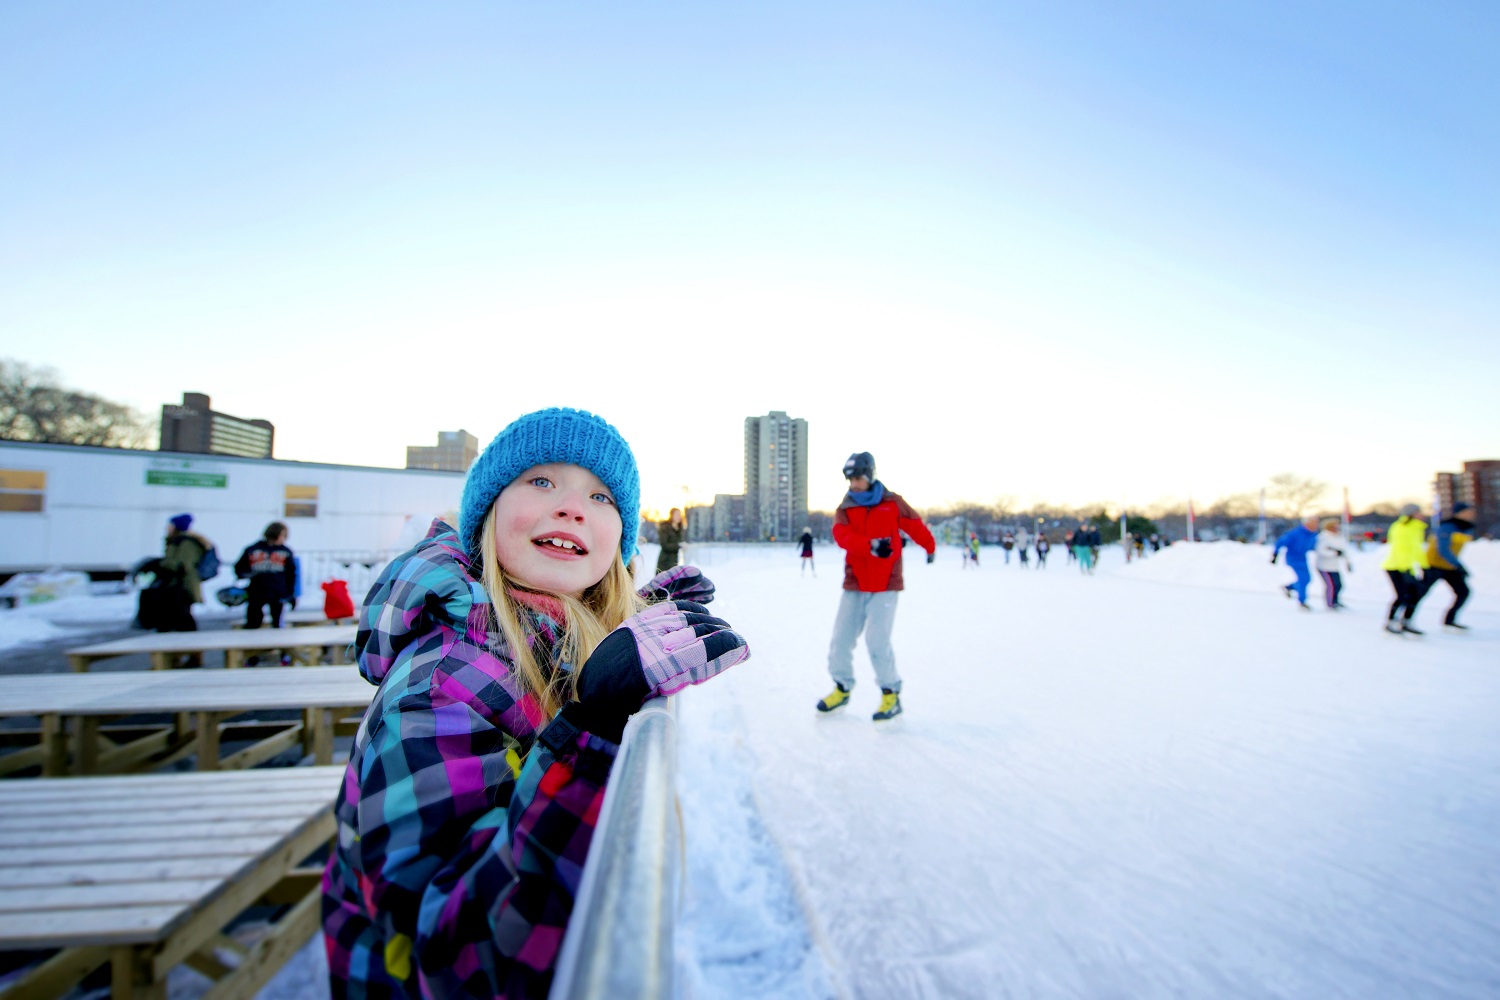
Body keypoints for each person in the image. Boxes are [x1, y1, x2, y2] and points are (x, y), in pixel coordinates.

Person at [322, 408, 748, 999]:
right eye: (541, 481)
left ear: (620, 544)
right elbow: (454, 953)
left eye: (602, 497)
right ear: (487, 514)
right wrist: (590, 730)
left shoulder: (556, 636)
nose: (573, 507)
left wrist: (638, 616)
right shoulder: (438, 683)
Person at [816, 451, 936, 722]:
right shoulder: (845, 507)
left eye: (858, 478)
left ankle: (891, 694)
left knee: (877, 641)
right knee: (841, 640)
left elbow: (914, 525)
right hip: (855, 582)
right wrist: (870, 546)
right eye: (850, 479)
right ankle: (842, 687)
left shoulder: (893, 503)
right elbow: (841, 536)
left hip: (885, 584)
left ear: (869, 475)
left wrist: (929, 546)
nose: (854, 484)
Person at [1417, 502, 1475, 631]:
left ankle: (1450, 620)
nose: (1471, 514)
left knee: (1463, 592)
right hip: (1434, 565)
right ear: (1460, 513)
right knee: (1420, 592)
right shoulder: (1447, 527)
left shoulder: (1465, 527)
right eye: (1468, 511)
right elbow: (1443, 550)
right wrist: (1458, 566)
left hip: (1449, 566)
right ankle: (1403, 620)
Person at [235, 521, 298, 629]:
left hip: (277, 591)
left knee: (277, 622)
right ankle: (251, 643)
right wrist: (246, 574)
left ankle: (275, 643)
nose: (284, 539)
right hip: (257, 590)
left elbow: (291, 573)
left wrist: (291, 593)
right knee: (253, 621)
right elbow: (239, 567)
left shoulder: (285, 551)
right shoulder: (253, 550)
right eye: (283, 535)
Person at [158, 513, 211, 634]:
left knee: (183, 617)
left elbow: (184, 565)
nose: (167, 528)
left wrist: (163, 564)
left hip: (184, 585)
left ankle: (192, 647)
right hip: (176, 585)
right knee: (177, 616)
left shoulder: (186, 543)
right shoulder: (176, 541)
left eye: (170, 525)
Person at [1381, 504, 1429, 635]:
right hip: (1396, 566)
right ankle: (1390, 622)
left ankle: (1406, 621)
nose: (1422, 515)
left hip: (1408, 567)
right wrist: (1404, 568)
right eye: (1419, 512)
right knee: (1402, 595)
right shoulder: (1401, 527)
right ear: (1411, 513)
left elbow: (1417, 549)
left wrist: (1424, 565)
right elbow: (1399, 549)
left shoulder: (1416, 528)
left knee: (1415, 594)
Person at [1271, 516, 1320, 609]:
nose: (1316, 525)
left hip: (1303, 558)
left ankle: (1290, 587)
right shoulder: (1296, 533)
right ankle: (1302, 601)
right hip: (1293, 558)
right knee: (1303, 579)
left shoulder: (1313, 534)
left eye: (1316, 523)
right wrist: (1275, 554)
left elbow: (1313, 546)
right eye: (1313, 523)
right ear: (1307, 524)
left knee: (1307, 579)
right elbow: (1281, 542)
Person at [1314, 518, 1351, 610]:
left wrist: (1348, 562)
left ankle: (1336, 600)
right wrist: (1334, 553)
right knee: (1331, 585)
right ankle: (1330, 603)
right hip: (1324, 566)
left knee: (1338, 584)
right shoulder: (1323, 537)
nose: (1336, 528)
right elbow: (1320, 551)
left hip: (1334, 566)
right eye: (1334, 527)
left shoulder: (1339, 537)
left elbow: (1344, 551)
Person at [655, 507, 685, 574]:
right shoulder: (665, 527)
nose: (679, 516)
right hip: (665, 561)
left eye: (680, 514)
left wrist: (683, 545)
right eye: (677, 514)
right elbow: (664, 545)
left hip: (674, 561)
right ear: (671, 515)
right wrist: (679, 545)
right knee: (662, 582)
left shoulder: (679, 529)